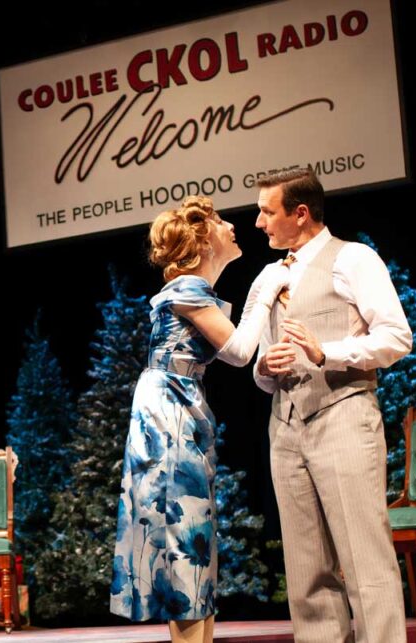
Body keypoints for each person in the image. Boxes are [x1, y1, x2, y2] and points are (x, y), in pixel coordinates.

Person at [110, 195, 289, 643]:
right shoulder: (186, 289)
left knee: (195, 538)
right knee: (185, 538)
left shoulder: (195, 291)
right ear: (204, 239)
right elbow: (239, 351)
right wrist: (265, 288)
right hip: (169, 412)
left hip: (180, 407)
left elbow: (248, 351)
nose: (233, 226)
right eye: (221, 221)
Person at [248, 168, 411, 643]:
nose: (259, 223)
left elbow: (396, 337)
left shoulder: (354, 259)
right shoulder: (268, 275)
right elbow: (258, 362)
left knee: (364, 556)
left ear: (301, 214)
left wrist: (329, 352)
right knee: (306, 567)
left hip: (343, 412)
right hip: (286, 423)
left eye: (266, 211)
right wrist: (266, 368)